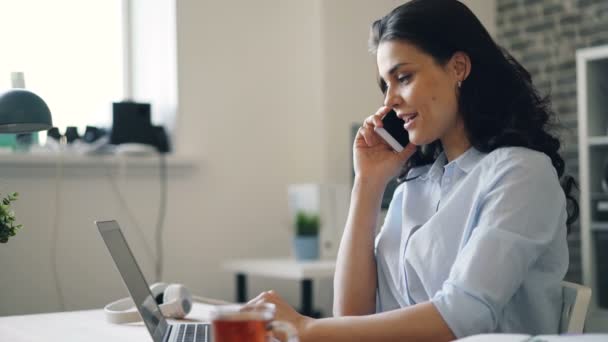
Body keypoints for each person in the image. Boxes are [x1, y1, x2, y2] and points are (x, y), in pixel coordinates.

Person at [246, 0, 579, 341]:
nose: (389, 100)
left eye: (403, 77)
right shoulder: (414, 187)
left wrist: (305, 328)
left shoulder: (521, 173)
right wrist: (367, 184)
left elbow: (463, 316)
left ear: (458, 67)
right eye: (385, 86)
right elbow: (351, 316)